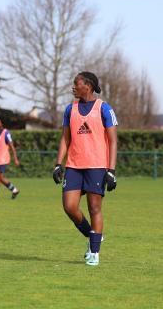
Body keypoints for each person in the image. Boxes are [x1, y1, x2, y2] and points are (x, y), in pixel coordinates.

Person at [53, 71, 118, 266]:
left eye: (76, 84)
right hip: (74, 165)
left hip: (97, 166)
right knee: (69, 207)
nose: (73, 87)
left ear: (87, 86)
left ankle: (95, 253)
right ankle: (93, 235)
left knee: (94, 208)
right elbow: (65, 138)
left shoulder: (104, 109)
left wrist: (111, 170)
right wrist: (58, 163)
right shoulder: (69, 109)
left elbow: (113, 142)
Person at [0, 117, 20, 201]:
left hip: (2, 158)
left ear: (2, 123)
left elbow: (12, 147)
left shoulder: (6, 133)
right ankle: (14, 190)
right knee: (1, 178)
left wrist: (15, 158)